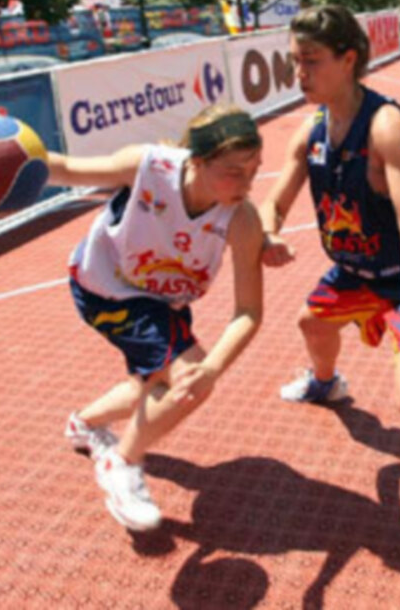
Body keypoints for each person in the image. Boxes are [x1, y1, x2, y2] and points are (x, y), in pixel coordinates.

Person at [260, 5, 400, 602]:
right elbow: (273, 203)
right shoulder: (311, 131)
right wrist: (269, 233)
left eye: (310, 61)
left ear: (348, 59)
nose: (298, 74)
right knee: (311, 323)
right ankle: (326, 383)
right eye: (294, 62)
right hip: (358, 273)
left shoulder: (383, 126)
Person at [48, 105, 264, 532]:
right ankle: (121, 462)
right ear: (197, 161)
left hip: (163, 300)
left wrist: (213, 368)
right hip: (106, 288)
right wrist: (12, 157)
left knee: (156, 384)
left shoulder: (241, 217)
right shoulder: (147, 167)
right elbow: (67, 169)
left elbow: (249, 312)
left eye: (254, 169)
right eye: (234, 171)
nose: (247, 183)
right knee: (187, 378)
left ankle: (84, 424)